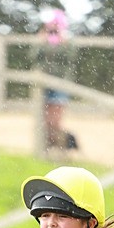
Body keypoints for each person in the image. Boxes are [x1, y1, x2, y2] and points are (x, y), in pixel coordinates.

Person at [36, 10, 78, 151]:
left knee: (55, 120)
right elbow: (34, 57)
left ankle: (62, 147)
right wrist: (41, 42)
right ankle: (48, 148)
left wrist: (62, 42)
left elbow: (70, 58)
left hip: (61, 85)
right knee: (46, 121)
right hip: (44, 84)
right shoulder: (43, 39)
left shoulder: (67, 40)